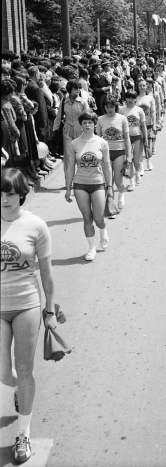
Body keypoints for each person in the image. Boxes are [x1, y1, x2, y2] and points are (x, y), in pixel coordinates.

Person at [1, 168, 57, 463]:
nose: (4, 199)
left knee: (24, 370)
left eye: (9, 193)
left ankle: (23, 434)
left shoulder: (36, 225)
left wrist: (50, 311)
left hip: (26, 305)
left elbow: (47, 275)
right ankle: (18, 391)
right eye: (0, 193)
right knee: (4, 373)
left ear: (21, 193)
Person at [65, 111, 113, 261]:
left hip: (98, 183)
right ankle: (91, 249)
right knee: (87, 218)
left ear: (94, 124)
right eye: (84, 122)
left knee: (98, 218)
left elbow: (107, 166)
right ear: (81, 125)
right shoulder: (74, 144)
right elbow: (70, 166)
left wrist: (109, 186)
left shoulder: (102, 143)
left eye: (90, 122)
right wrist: (68, 188)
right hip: (80, 184)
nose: (87, 125)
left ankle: (103, 230)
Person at [96, 97, 131, 213]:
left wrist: (129, 155)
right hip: (106, 153)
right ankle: (111, 207)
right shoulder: (100, 120)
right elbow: (97, 138)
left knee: (118, 181)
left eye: (111, 106)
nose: (109, 109)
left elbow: (127, 138)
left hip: (119, 152)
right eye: (107, 107)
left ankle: (121, 194)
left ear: (115, 106)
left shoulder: (122, 119)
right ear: (104, 107)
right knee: (108, 182)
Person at [119, 90, 147, 189]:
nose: (130, 100)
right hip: (126, 138)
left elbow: (143, 126)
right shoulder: (121, 110)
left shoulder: (139, 110)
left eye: (132, 98)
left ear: (136, 99)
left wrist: (146, 140)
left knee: (136, 160)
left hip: (137, 137)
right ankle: (131, 182)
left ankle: (138, 173)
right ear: (125, 98)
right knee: (129, 159)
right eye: (128, 97)